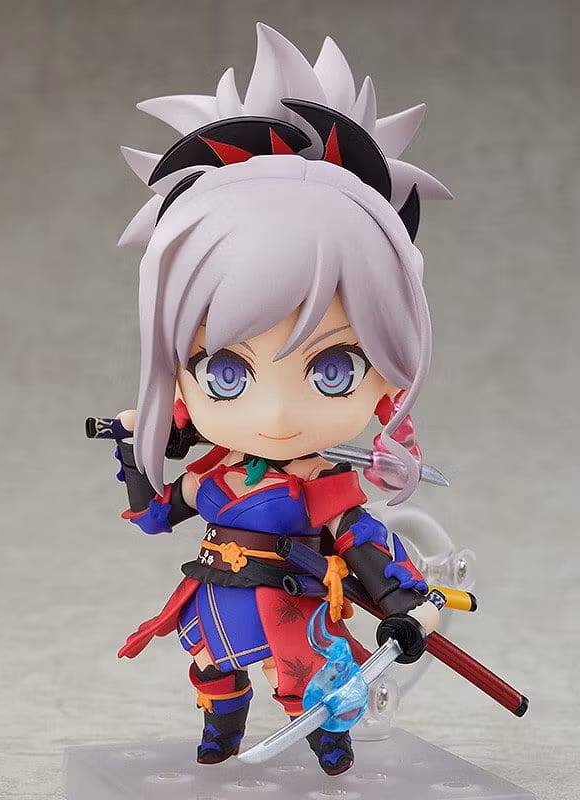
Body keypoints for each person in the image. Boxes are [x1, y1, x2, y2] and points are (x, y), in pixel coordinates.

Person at [112, 23, 451, 776]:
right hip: (216, 598)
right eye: (224, 373)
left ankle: (329, 746)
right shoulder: (216, 475)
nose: (274, 415)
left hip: (293, 605)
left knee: (308, 687)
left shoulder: (324, 486)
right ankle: (220, 735)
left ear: (388, 375)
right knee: (212, 673)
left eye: (333, 369)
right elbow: (155, 516)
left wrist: (409, 606)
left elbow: (366, 546)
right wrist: (134, 452)